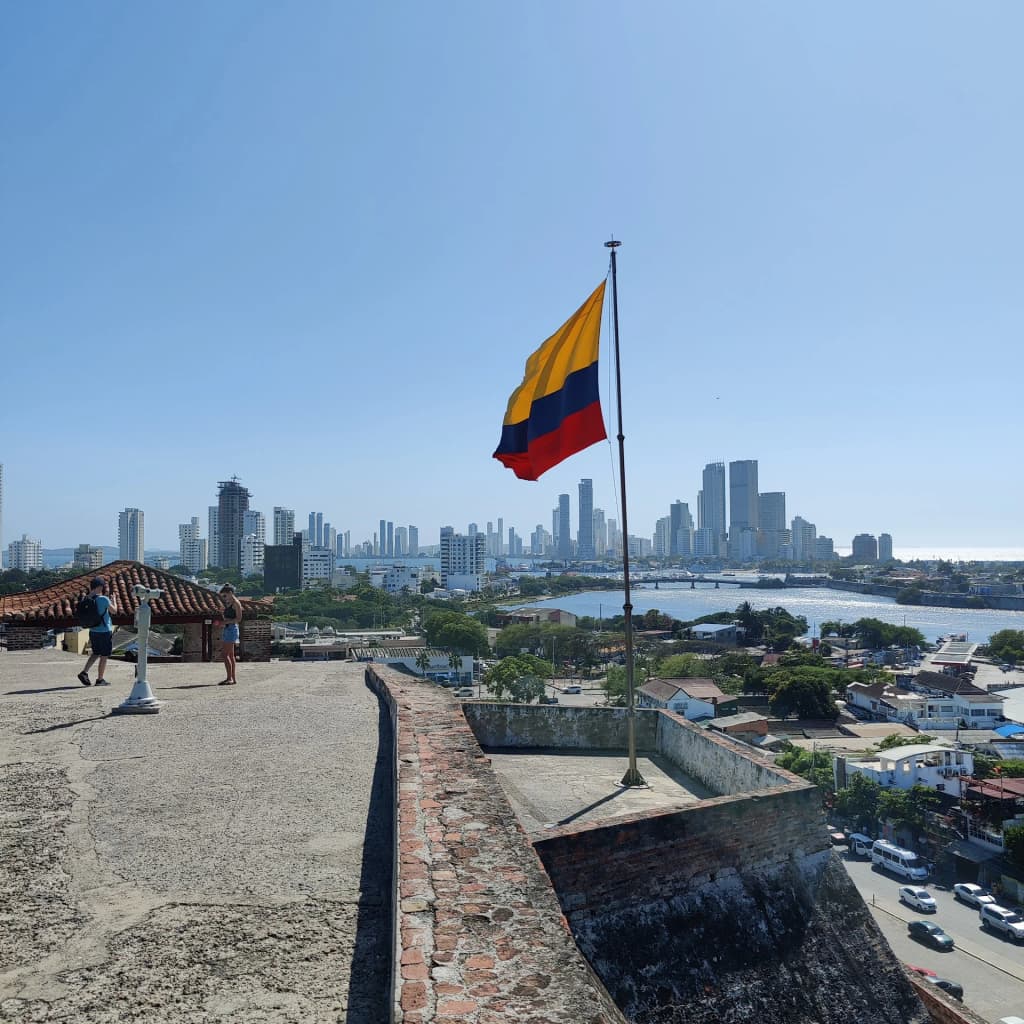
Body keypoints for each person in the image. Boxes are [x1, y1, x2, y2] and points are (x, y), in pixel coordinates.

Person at [78, 577, 117, 687]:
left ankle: (84, 672)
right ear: (100, 587)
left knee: (96, 653)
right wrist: (114, 600)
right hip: (104, 631)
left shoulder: (86, 599)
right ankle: (100, 679)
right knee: (104, 656)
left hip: (93, 630)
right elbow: (114, 611)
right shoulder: (103, 599)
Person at [218, 584, 243, 685]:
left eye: (225, 596)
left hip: (231, 629)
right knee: (231, 655)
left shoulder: (236, 603)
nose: (224, 598)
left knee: (225, 654)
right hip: (228, 629)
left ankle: (230, 678)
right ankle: (232, 678)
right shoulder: (229, 603)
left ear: (230, 593)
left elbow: (239, 619)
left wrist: (225, 623)